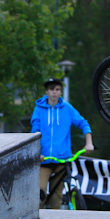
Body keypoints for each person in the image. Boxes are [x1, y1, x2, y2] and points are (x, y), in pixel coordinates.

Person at [31, 78, 94, 209]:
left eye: (57, 89)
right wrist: (36, 153)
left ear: (60, 92)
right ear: (46, 91)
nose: (54, 92)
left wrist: (89, 143)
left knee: (57, 197)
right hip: (43, 160)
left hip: (62, 160)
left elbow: (83, 123)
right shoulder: (39, 109)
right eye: (51, 89)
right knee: (39, 194)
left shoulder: (67, 108)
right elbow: (34, 132)